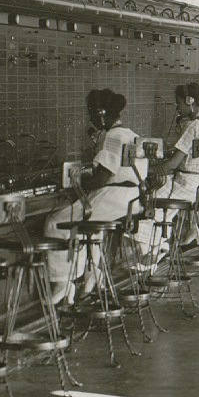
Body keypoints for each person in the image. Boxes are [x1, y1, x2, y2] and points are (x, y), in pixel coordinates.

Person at [44, 89, 142, 303]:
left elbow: (101, 179)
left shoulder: (113, 136)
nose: (90, 119)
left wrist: (73, 184)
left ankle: (63, 283)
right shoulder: (131, 134)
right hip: (130, 199)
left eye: (91, 113)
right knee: (90, 227)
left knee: (56, 223)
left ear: (101, 113)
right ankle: (92, 276)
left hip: (114, 196)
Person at [148, 83, 199, 205]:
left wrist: (145, 169)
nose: (177, 107)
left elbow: (172, 164)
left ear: (189, 101)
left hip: (188, 185)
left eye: (178, 103)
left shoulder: (193, 126)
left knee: (150, 196)